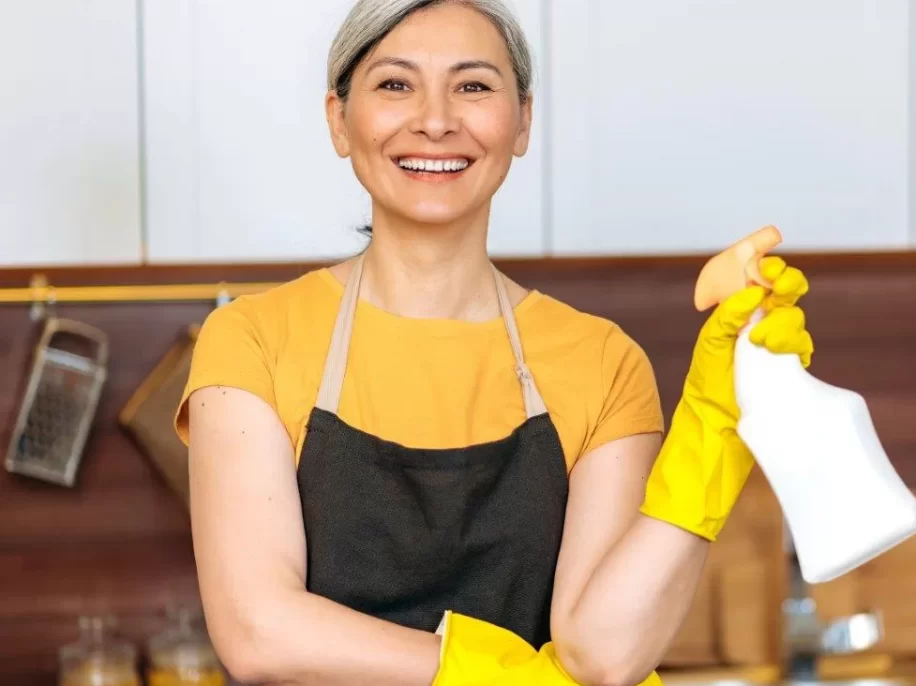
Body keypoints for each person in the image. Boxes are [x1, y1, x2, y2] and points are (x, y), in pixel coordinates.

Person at [175, 0, 814, 684]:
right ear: (339, 119)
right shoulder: (253, 341)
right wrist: (491, 675)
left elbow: (606, 652)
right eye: (395, 83)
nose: (436, 119)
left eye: (473, 85)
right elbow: (258, 632)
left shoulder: (600, 362)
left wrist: (715, 426)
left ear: (522, 122)